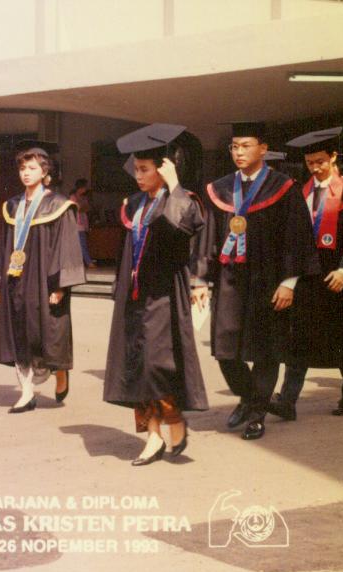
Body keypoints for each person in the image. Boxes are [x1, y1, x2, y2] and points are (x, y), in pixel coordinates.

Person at [198, 122, 318, 440]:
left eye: (245, 146)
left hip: (269, 278)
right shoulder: (221, 189)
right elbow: (209, 235)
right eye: (234, 146)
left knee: (266, 350)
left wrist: (289, 282)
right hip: (230, 278)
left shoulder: (284, 187)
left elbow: (297, 237)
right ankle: (249, 398)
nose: (238, 152)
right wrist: (200, 278)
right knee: (225, 350)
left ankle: (256, 415)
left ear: (263, 149)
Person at [103, 124, 208, 465]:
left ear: (163, 170)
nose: (138, 176)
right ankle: (153, 435)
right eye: (136, 169)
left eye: (145, 169)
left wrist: (174, 185)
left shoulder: (182, 199)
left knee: (156, 365)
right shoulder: (133, 204)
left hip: (163, 295)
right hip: (135, 294)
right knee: (137, 365)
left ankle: (172, 418)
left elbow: (186, 227)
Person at [269, 128, 343, 420]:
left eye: (320, 162)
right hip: (310, 277)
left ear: (333, 157)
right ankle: (287, 401)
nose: (314, 168)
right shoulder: (301, 193)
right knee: (299, 339)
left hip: (340, 279)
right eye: (310, 162)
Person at [0, 141, 86, 412]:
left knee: (47, 333)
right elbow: (4, 248)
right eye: (23, 168)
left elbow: (66, 248)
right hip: (16, 277)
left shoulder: (58, 205)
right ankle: (26, 392)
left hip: (44, 278)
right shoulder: (12, 207)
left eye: (32, 168)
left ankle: (59, 369)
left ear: (44, 172)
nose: (26, 173)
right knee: (19, 333)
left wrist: (60, 286)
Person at [70, 178, 96, 268]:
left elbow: (87, 208)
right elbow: (76, 208)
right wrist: (81, 207)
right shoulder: (73, 197)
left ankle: (82, 262)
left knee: (82, 243)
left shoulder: (84, 197)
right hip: (76, 223)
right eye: (85, 187)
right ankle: (88, 262)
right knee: (82, 244)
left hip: (83, 222)